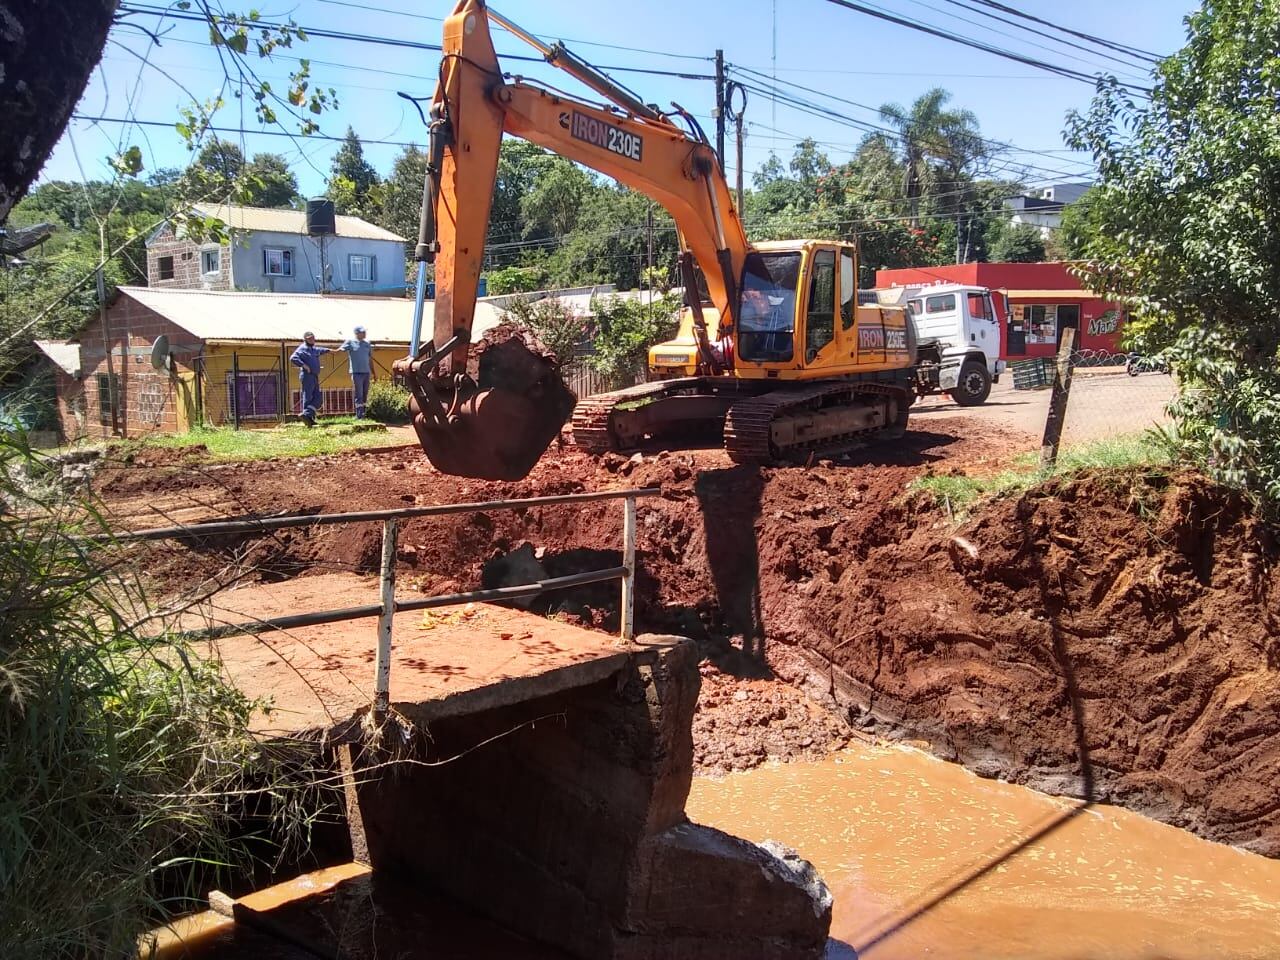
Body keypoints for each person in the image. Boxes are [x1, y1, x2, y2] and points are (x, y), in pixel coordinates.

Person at [290, 331, 329, 427]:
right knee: (308, 397)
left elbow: (321, 350)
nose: (312, 339)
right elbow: (293, 358)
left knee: (318, 398)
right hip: (307, 375)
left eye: (313, 338)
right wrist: (304, 365)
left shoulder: (313, 349)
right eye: (310, 338)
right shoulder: (302, 348)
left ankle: (307, 415)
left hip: (314, 375)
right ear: (305, 339)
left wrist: (331, 350)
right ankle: (308, 419)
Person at [340, 325, 373, 419]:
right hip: (356, 372)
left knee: (365, 393)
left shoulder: (367, 344)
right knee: (359, 393)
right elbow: (341, 349)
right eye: (362, 332)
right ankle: (359, 415)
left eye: (364, 332)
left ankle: (363, 414)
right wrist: (332, 351)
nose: (365, 333)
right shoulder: (350, 342)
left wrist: (373, 371)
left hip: (366, 372)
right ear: (357, 333)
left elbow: (370, 359)